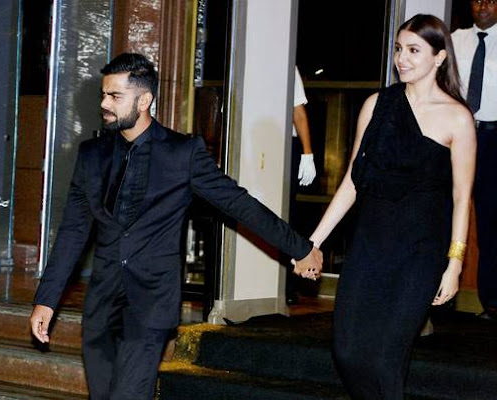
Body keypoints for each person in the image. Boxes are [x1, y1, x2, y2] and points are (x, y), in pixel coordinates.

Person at [29, 53, 323, 400]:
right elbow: (73, 231)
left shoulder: (182, 153)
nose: (104, 103)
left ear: (144, 101)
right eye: (103, 94)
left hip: (150, 302)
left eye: (115, 96)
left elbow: (238, 203)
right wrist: (46, 300)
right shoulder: (91, 154)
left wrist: (300, 247)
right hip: (102, 304)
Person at [308, 15, 476, 399]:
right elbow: (352, 181)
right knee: (347, 353)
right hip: (369, 246)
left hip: (420, 253)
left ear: (439, 57)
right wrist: (313, 242)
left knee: (385, 359)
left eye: (414, 50)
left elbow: (461, 198)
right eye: (399, 49)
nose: (402, 58)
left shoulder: (458, 118)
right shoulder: (377, 105)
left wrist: (454, 264)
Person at [452, 0, 497, 321]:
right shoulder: (455, 40)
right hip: (458, 134)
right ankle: (437, 295)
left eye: (491, 0)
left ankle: (492, 302)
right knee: (442, 210)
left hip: (495, 140)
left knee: (491, 221)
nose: (483, 5)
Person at [286, 66, 317, 305]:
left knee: (288, 216)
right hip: (258, 139)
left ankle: (288, 284)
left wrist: (307, 154)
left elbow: (298, 110)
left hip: (287, 144)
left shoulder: (287, 65)